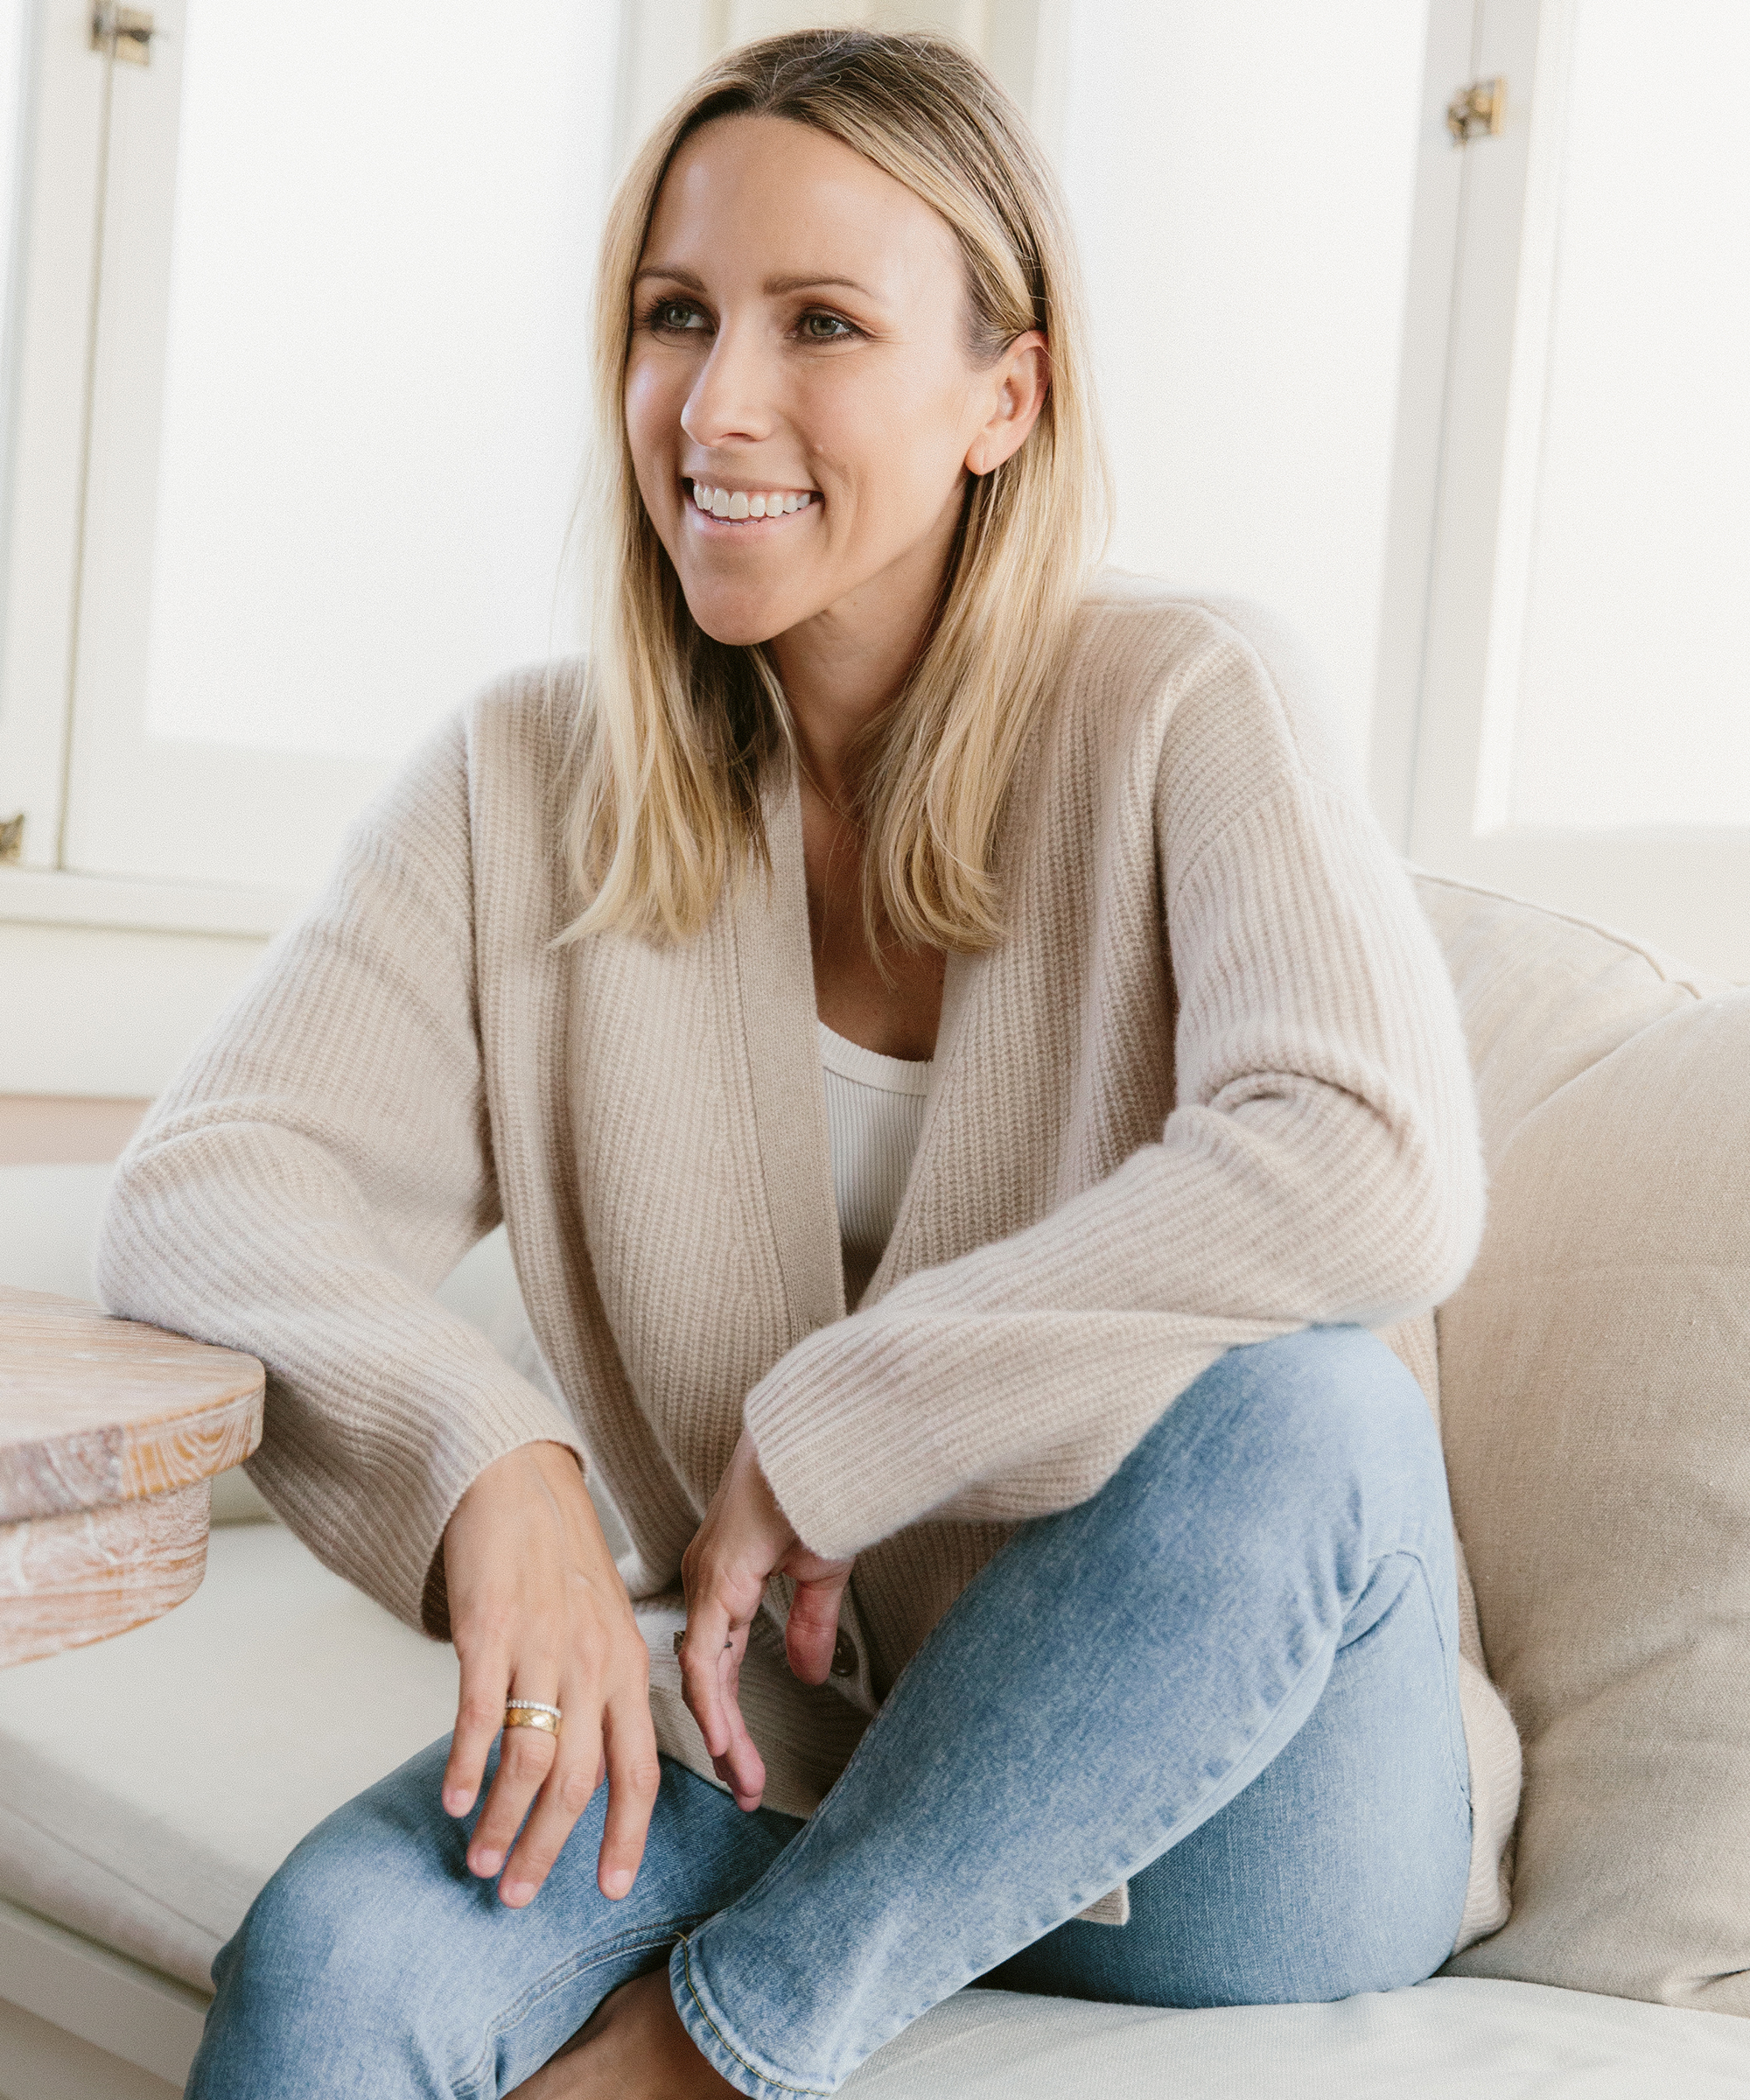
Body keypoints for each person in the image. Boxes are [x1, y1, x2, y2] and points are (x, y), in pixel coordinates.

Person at [100, 28, 1519, 2100]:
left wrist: (846, 1416)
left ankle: (702, 2051)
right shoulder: (528, 778)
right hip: (784, 1741)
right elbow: (210, 1181)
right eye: (676, 317)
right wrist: (497, 1471)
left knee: (1309, 1413)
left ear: (1001, 398)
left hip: (1245, 1813)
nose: (718, 401)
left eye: (823, 325)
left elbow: (1374, 1160)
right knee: (337, 1964)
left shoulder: (1184, 703)